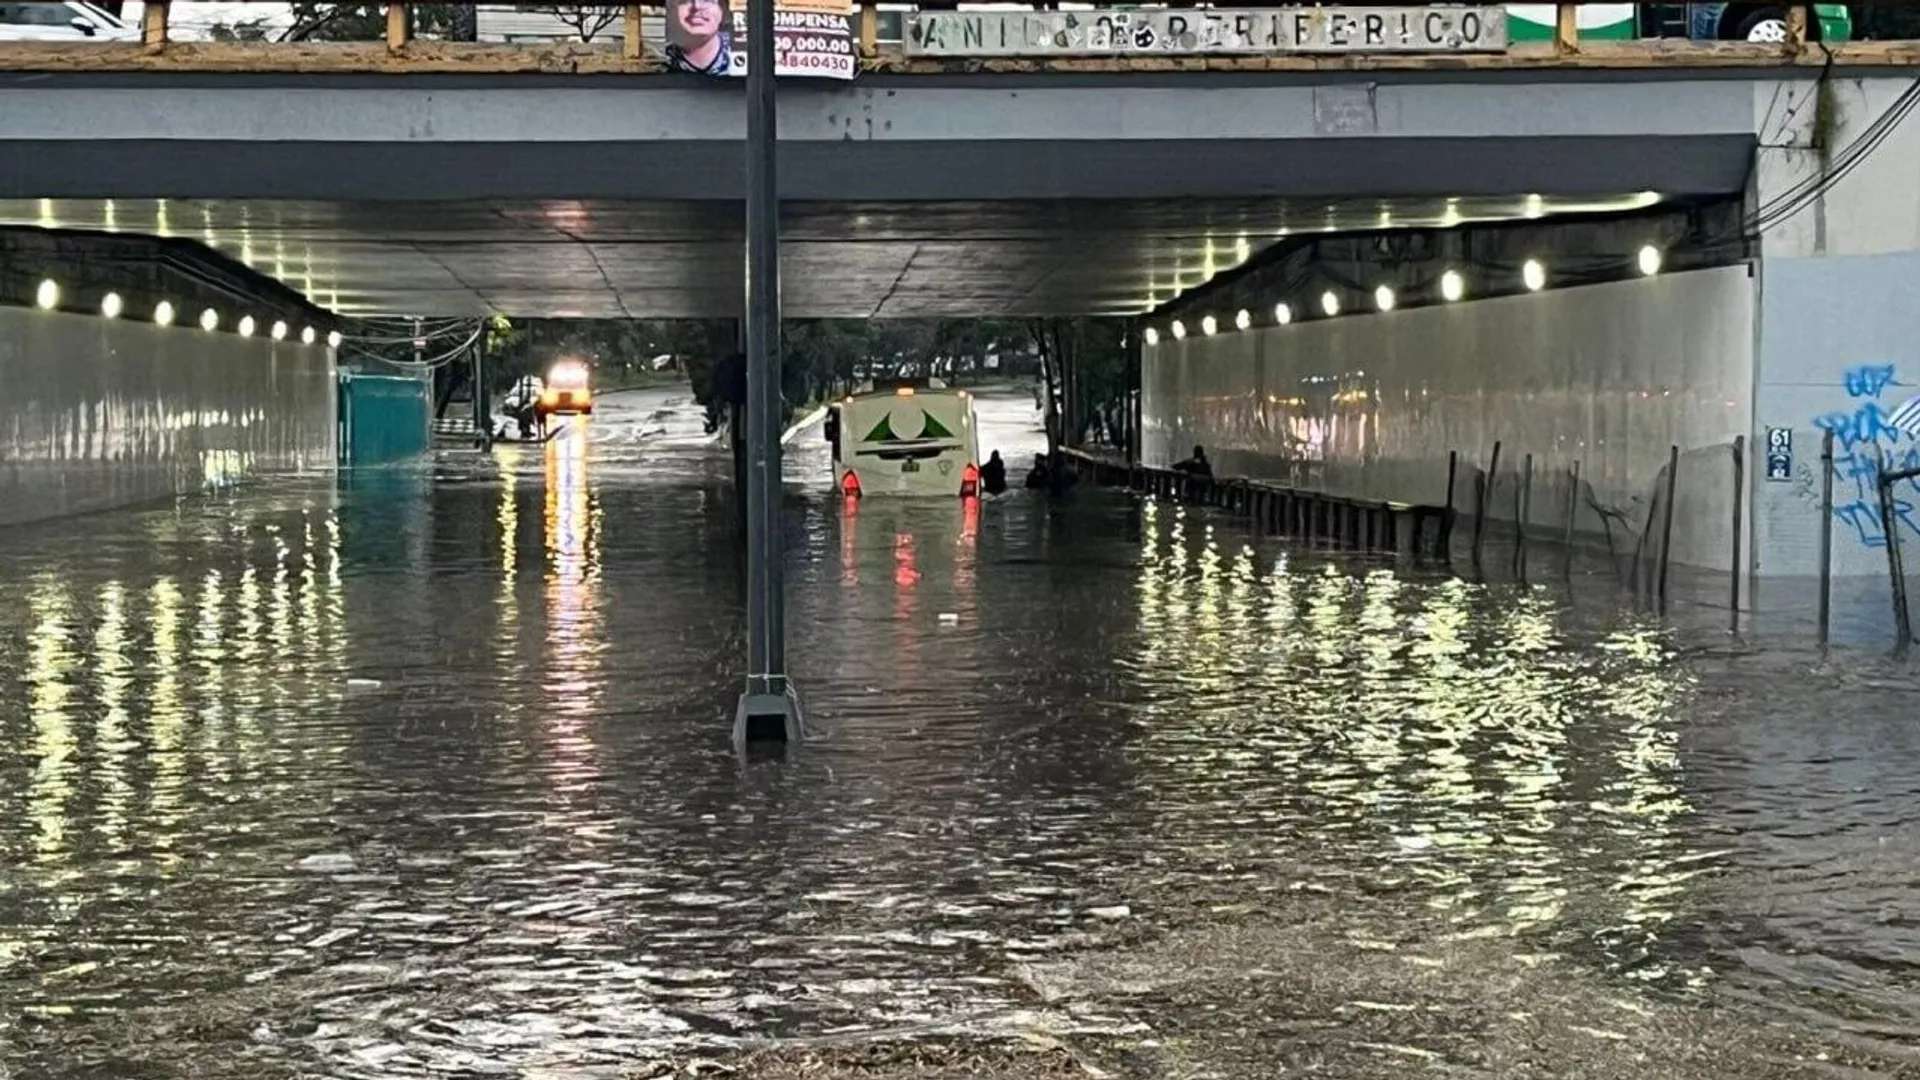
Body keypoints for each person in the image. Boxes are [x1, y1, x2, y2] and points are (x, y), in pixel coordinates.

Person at [666, 0, 732, 75]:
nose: (697, 6)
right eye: (685, 1)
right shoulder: (659, 59)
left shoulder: (742, 53)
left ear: (723, 10)